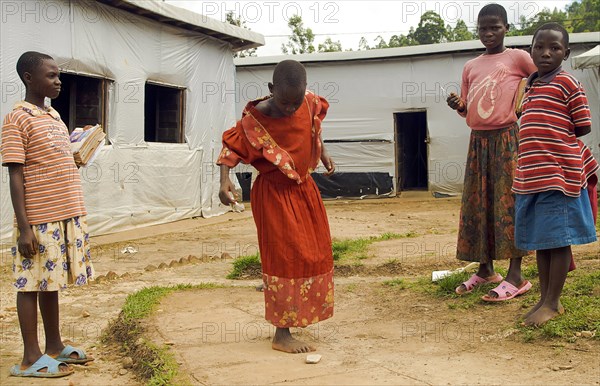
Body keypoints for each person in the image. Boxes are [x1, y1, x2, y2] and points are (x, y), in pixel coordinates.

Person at [217, 60, 335, 354]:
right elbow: (231, 149)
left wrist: (323, 153)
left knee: (313, 253)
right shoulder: (255, 120)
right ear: (271, 90)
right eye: (284, 102)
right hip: (273, 195)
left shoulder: (308, 104)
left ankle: (297, 315)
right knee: (284, 258)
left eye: (296, 102)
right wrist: (224, 182)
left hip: (304, 189)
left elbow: (312, 129)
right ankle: (281, 334)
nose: (290, 109)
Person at [1, 51, 95, 378]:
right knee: (30, 284)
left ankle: (53, 346)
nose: (58, 81)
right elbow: (15, 174)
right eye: (51, 75)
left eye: (59, 75)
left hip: (62, 212)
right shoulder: (18, 118)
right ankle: (30, 357)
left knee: (49, 282)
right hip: (38, 218)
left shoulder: (53, 115)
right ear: (29, 78)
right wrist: (25, 228)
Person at [446, 4, 537, 300]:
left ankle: (516, 275)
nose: (488, 33)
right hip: (478, 140)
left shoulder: (518, 57)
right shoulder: (471, 66)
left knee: (507, 203)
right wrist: (460, 105)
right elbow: (469, 108)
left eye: (495, 27)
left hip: (507, 138)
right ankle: (485, 269)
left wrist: (524, 101)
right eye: (483, 28)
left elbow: (540, 79)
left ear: (507, 29)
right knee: (479, 203)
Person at [513, 23, 597, 326]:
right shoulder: (530, 85)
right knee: (542, 240)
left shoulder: (568, 83)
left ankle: (553, 301)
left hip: (559, 177)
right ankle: (544, 299)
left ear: (566, 53)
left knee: (559, 240)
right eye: (539, 47)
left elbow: (582, 126)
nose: (546, 53)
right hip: (531, 178)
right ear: (530, 50)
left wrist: (555, 142)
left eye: (555, 48)